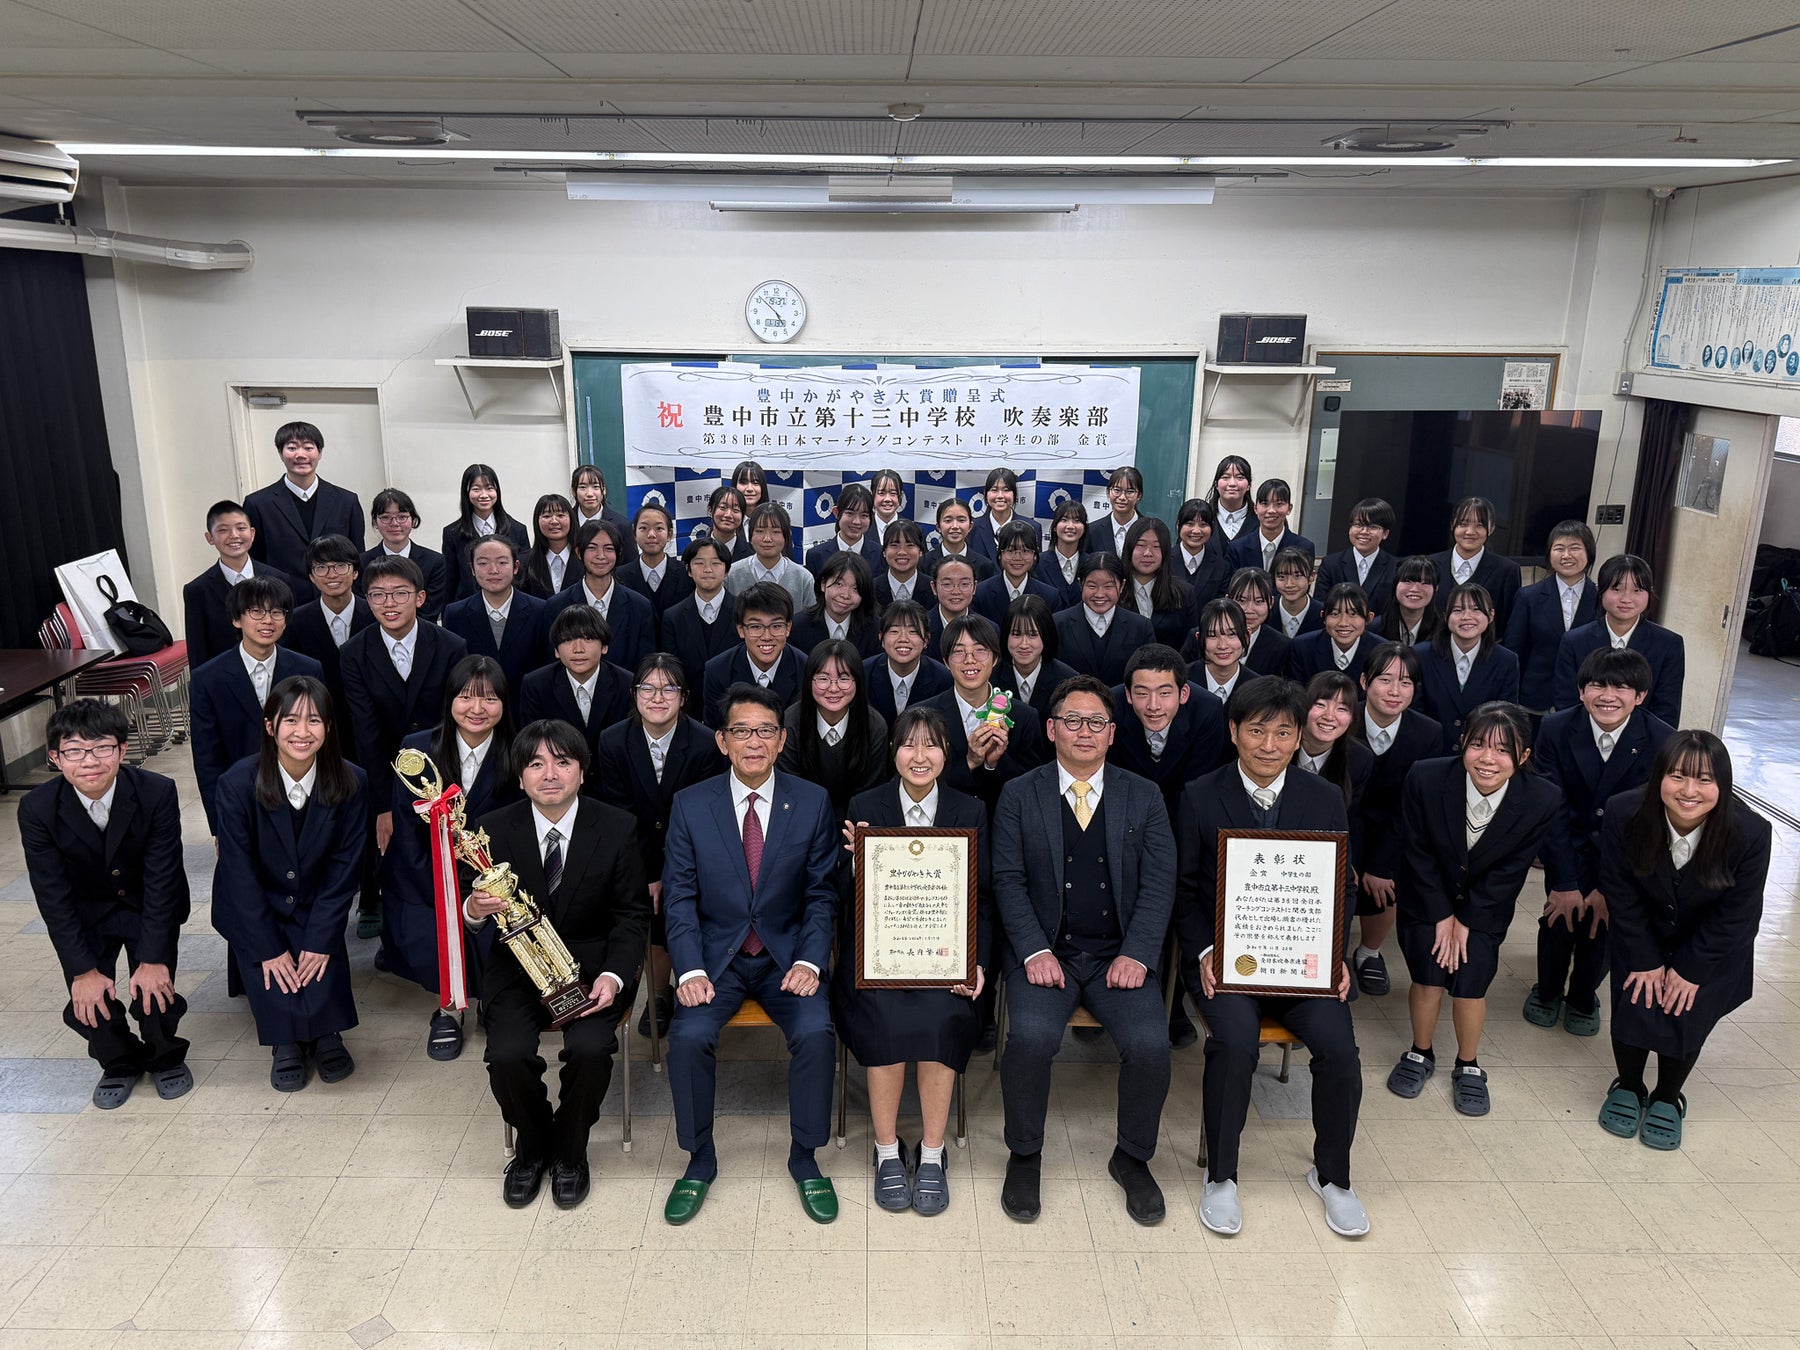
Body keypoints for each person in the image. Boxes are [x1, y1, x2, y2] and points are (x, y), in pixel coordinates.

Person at [1175, 675, 1367, 1239]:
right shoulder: (1199, 794)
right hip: (1226, 962)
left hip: (1300, 962)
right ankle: (1221, 1176)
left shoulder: (1323, 798)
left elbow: (1342, 886)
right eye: (1257, 731)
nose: (1269, 745)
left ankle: (1333, 1177)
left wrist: (1335, 954)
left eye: (1283, 733)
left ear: (1299, 736)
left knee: (1340, 1048)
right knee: (1234, 1043)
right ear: (1234, 731)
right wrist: (1205, 951)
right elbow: (1184, 890)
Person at [993, 674, 1176, 1225]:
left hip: (1119, 955)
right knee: (1029, 1038)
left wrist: (1137, 954)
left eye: (1097, 722)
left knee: (1151, 1045)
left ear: (1113, 733)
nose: (1085, 731)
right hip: (1045, 953)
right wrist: (1032, 950)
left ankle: (1132, 1157)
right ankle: (1025, 1154)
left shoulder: (1143, 795)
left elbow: (1159, 883)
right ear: (1051, 729)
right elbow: (1007, 880)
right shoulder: (1018, 794)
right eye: (1072, 720)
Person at [661, 684, 841, 1225]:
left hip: (787, 958)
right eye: (742, 731)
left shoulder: (811, 801)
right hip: (715, 959)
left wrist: (810, 961)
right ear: (722, 741)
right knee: (688, 1036)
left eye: (765, 731)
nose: (754, 742)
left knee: (816, 1032)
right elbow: (679, 896)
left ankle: (805, 1156)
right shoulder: (691, 805)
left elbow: (821, 894)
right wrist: (689, 970)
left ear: (782, 739)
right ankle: (700, 1157)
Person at [468, 720, 651, 1209]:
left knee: (591, 1050)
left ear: (582, 772)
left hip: (591, 972)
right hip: (516, 970)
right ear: (520, 776)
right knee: (506, 1055)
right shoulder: (491, 829)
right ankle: (533, 1148)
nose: (550, 774)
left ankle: (570, 1152)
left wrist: (614, 976)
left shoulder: (616, 826)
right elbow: (465, 905)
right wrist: (473, 909)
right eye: (536, 764)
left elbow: (632, 914)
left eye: (563, 762)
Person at [837, 707, 991, 1215]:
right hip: (880, 960)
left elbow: (983, 898)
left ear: (947, 754)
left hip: (945, 961)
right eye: (909, 744)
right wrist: (856, 863)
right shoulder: (865, 806)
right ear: (893, 751)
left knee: (943, 1018)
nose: (919, 756)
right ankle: (886, 1151)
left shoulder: (969, 810)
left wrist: (976, 962)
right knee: (882, 1017)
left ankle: (931, 1152)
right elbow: (839, 896)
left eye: (931, 745)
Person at [1597, 732, 1771, 1151]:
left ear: (1722, 784)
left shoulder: (1750, 831)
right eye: (1677, 776)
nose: (1689, 791)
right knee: (1636, 996)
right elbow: (1619, 890)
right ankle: (1629, 1084)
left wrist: (1690, 970)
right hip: (1643, 930)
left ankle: (1667, 1096)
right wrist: (1645, 958)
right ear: (1658, 776)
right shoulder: (1624, 812)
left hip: (1712, 946)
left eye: (1704, 780)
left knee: (1686, 1007)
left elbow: (1739, 913)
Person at [20, 700, 192, 1108]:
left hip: (147, 904)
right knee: (89, 996)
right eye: (74, 751)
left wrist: (152, 958)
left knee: (155, 988)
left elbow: (163, 878)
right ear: (55, 757)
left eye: (101, 747)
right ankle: (118, 1061)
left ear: (122, 749)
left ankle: (164, 1055)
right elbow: (53, 896)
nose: (89, 761)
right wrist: (82, 971)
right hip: (86, 913)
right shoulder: (37, 808)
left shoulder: (156, 792)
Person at [1390, 703, 1559, 1116]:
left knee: (1471, 980)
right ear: (1462, 742)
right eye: (1478, 744)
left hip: (1486, 905)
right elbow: (1416, 851)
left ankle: (1468, 1064)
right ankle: (1420, 1051)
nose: (1488, 758)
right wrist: (1442, 915)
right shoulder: (1426, 777)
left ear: (1523, 756)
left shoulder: (1542, 797)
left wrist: (1467, 919)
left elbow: (1512, 869)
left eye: (1503, 750)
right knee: (1428, 974)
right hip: (1427, 898)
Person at [211, 676, 367, 1092]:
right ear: (270, 726)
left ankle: (327, 1033)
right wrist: (269, 948)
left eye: (314, 720)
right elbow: (239, 876)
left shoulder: (352, 781)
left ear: (328, 728)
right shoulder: (235, 784)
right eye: (291, 720)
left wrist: (320, 939)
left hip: (316, 897)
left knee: (317, 953)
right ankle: (285, 1041)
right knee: (275, 963)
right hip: (253, 901)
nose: (302, 732)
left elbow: (344, 869)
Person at [1525, 649, 1674, 1036]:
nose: (1608, 696)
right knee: (1559, 916)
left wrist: (1610, 888)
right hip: (1567, 845)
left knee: (1603, 925)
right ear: (1581, 691)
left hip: (1625, 854)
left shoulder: (1662, 740)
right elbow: (1551, 805)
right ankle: (1547, 990)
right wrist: (1564, 881)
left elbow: (1650, 821)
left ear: (1640, 696)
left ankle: (1583, 996)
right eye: (1597, 685)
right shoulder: (1555, 729)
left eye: (1621, 687)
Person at [382, 655, 520, 1061]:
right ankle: (449, 1009)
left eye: (490, 698)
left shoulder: (519, 751)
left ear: (504, 703)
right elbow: (407, 833)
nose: (477, 708)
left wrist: (487, 885)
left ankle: (492, 999)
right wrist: (442, 889)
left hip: (492, 874)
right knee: (437, 923)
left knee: (500, 920)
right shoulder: (416, 750)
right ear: (450, 699)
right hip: (428, 874)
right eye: (466, 697)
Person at [596, 655, 726, 1042]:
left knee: (685, 898)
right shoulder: (613, 741)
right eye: (647, 688)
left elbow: (702, 817)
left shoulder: (705, 743)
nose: (657, 697)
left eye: (669, 688)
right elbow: (621, 815)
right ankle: (657, 993)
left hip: (692, 854)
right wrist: (649, 873)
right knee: (643, 903)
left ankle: (694, 983)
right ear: (634, 693)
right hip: (634, 855)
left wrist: (672, 873)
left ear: (684, 697)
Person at [339, 555, 469, 869]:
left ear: (420, 598)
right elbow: (366, 730)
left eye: (400, 593)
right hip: (385, 773)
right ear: (367, 600)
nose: (389, 603)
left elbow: (455, 719)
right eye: (378, 595)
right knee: (395, 861)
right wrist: (383, 805)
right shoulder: (353, 653)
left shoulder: (451, 646)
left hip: (445, 771)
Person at [191, 576, 324, 837]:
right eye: (256, 611)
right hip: (241, 798)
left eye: (276, 612)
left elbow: (321, 737)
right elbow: (207, 758)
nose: (267, 620)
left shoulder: (308, 669)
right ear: (236, 619)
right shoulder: (208, 678)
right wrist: (219, 826)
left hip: (300, 796)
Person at [1348, 643, 1441, 996]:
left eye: (1405, 683)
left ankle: (1369, 952)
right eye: (1385, 680)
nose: (1394, 691)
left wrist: (1381, 865)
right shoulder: (1341, 720)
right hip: (1343, 822)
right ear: (1364, 682)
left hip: (1396, 828)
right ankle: (1331, 953)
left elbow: (1414, 806)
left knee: (1391, 878)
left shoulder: (1428, 733)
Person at [918, 614, 1046, 809]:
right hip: (944, 821)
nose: (970, 660)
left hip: (1003, 820)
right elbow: (916, 782)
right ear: (946, 661)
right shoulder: (923, 716)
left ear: (994, 658)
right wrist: (970, 762)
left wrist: (995, 762)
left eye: (979, 650)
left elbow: (1033, 789)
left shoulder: (1024, 716)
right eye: (959, 651)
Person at [1553, 553, 1686, 728]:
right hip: (1581, 736)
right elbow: (1566, 704)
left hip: (1643, 740)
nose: (1626, 599)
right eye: (1616, 589)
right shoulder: (1574, 641)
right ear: (1599, 590)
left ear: (1650, 592)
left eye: (1637, 590)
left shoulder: (1669, 644)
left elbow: (1666, 712)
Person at [1110, 642, 1227, 819]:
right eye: (1142, 694)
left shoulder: (1206, 710)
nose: (1153, 706)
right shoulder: (1111, 708)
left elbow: (1200, 781)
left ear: (1183, 694)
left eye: (1164, 693)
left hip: (1185, 808)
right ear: (1128, 694)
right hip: (1127, 809)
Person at [281, 534, 374, 750]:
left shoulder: (376, 615)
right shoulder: (295, 622)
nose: (332, 574)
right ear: (312, 577)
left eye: (341, 566)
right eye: (321, 568)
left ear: (355, 571)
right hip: (318, 727)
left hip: (371, 725)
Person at [242, 420, 365, 582]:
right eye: (292, 448)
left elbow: (357, 557)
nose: (300, 455)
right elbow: (255, 560)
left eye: (308, 448)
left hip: (335, 592)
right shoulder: (258, 504)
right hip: (282, 593)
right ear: (280, 453)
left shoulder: (347, 501)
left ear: (319, 453)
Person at [779, 638, 889, 816]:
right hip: (801, 817)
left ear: (858, 681)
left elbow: (870, 793)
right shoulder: (790, 724)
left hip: (857, 821)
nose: (833, 688)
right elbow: (791, 790)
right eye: (823, 678)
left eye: (844, 678)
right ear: (809, 681)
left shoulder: (875, 726)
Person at [1505, 520, 1599, 722]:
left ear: (1589, 553)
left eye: (1575, 548)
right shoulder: (1528, 597)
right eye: (1559, 548)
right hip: (1533, 702)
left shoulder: (1601, 598)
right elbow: (1514, 651)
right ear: (1549, 554)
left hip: (1585, 703)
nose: (1567, 555)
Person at [183, 499, 294, 668]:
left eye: (241, 528)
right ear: (210, 538)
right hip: (224, 677)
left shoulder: (280, 579)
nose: (234, 535)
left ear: (252, 533)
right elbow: (198, 651)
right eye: (223, 530)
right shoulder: (197, 590)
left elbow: (291, 636)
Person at [441, 535, 549, 708]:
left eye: (502, 562)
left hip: (527, 708)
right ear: (472, 568)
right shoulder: (455, 614)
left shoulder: (541, 610)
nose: (493, 570)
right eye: (483, 563)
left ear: (516, 567)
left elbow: (546, 668)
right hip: (477, 711)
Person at [1415, 582, 1521, 754]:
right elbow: (1414, 712)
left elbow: (1505, 717)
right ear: (1445, 617)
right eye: (1458, 610)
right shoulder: (1421, 655)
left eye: (1476, 609)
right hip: (1429, 753)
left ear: (1491, 615)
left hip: (1481, 755)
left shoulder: (1506, 660)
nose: (1466, 616)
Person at [519, 606, 634, 758]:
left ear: (604, 646)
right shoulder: (536, 685)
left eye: (588, 639)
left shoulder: (627, 684)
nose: (578, 649)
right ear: (556, 651)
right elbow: (532, 744)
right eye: (568, 640)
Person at [546, 519, 657, 674]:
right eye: (592, 548)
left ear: (618, 553)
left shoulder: (640, 606)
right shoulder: (557, 605)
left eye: (608, 548)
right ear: (578, 552)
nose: (601, 556)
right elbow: (551, 663)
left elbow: (646, 665)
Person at [662, 536, 738, 719]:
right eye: (699, 563)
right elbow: (671, 670)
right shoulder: (673, 617)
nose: (708, 569)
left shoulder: (742, 612)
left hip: (735, 707)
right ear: (688, 570)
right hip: (687, 711)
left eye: (716, 563)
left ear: (727, 570)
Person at [1054, 553, 1155, 687]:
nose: (1100, 594)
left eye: (1108, 586)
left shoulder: (1141, 627)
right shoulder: (1057, 624)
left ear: (1122, 586)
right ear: (1080, 584)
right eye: (1092, 586)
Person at [439, 463, 530, 606]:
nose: (483, 495)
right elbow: (450, 580)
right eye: (476, 489)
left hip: (511, 606)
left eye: (489, 488)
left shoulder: (518, 530)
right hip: (467, 608)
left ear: (497, 491)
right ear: (466, 492)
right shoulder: (452, 533)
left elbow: (524, 578)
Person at [1429, 495, 1522, 633]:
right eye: (1463, 524)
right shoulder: (1431, 565)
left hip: (1485, 645)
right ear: (1452, 525)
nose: (1470, 532)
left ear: (1491, 528)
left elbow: (1509, 623)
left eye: (1479, 525)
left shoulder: (1507, 570)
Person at [361, 489, 448, 621]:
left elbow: (431, 610)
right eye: (385, 517)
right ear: (375, 522)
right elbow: (364, 608)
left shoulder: (435, 562)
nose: (394, 523)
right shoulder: (362, 562)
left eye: (402, 517)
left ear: (413, 520)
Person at [865, 599, 952, 724]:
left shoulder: (944, 679)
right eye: (894, 631)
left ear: (926, 639)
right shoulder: (864, 674)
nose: (903, 639)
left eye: (913, 632)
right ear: (881, 638)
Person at [996, 594, 1077, 721]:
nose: (1024, 644)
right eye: (1016, 634)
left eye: (1033, 635)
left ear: (1046, 635)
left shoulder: (1068, 681)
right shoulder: (989, 678)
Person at [618, 501, 695, 635]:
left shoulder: (687, 573)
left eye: (659, 528)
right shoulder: (620, 576)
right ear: (634, 534)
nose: (651, 534)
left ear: (669, 534)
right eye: (643, 528)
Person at [1316, 497, 1398, 618]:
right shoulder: (1330, 564)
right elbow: (1321, 605)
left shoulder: (1396, 567)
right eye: (1358, 525)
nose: (1364, 531)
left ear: (1385, 533)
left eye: (1372, 527)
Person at [791, 551, 880, 659]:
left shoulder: (875, 629)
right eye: (839, 584)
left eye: (855, 588)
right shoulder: (797, 627)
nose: (845, 595)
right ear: (823, 584)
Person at [728, 501, 816, 608]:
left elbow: (811, 616)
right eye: (760, 531)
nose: (767, 539)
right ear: (750, 535)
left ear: (787, 535)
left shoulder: (803, 579)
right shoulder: (732, 575)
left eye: (775, 532)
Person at [1287, 583, 1382, 682]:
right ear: (1323, 616)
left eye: (1353, 614)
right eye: (1335, 614)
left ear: (1369, 618)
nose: (1343, 623)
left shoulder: (1380, 652)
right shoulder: (1302, 648)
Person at [973, 519, 1061, 628]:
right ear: (999, 553)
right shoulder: (980, 594)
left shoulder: (1050, 597)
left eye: (1025, 551)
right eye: (1010, 551)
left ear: (1035, 554)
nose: (1017, 558)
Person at [1124, 517, 1195, 650]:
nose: (1148, 553)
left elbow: (1189, 647)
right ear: (1129, 547)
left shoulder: (1183, 593)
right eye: (1141, 545)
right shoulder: (1115, 591)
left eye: (1156, 547)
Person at [1224, 478, 1315, 572]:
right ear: (1255, 509)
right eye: (1265, 504)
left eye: (1279, 504)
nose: (1271, 510)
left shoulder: (1304, 548)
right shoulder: (1237, 548)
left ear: (1289, 508)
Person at [802, 482, 885, 579]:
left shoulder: (881, 555)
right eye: (850, 513)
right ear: (836, 512)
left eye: (864, 515)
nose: (857, 521)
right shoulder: (816, 555)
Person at [1227, 568, 1291, 677]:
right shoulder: (1204, 637)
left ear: (1271, 603)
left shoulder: (1282, 646)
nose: (1249, 610)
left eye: (1259, 601)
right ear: (1228, 600)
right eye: (1241, 601)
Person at [968, 467, 1040, 561]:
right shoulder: (972, 528)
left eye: (1006, 490)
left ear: (1014, 494)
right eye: (994, 490)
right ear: (986, 493)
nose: (1000, 496)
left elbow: (1035, 565)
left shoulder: (1032, 527)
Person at [570, 463, 637, 563]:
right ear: (574, 491)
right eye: (583, 487)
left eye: (595, 487)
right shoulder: (566, 522)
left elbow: (631, 564)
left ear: (604, 490)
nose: (590, 494)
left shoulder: (622, 525)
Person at [1189, 598, 1250, 704]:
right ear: (1199, 638)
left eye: (1231, 634)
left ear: (1247, 637)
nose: (1222, 645)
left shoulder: (1259, 689)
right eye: (1212, 635)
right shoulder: (1181, 681)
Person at [923, 496, 997, 582]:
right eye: (948, 520)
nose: (955, 526)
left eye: (961, 520)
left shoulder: (985, 565)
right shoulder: (924, 563)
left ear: (970, 526)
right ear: (938, 527)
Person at [1376, 555, 1444, 648]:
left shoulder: (1443, 632)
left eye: (1425, 583)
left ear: (1436, 588)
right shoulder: (1374, 629)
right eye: (1408, 581)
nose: (1415, 589)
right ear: (1395, 584)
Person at [1175, 497, 1231, 611]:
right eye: (1190, 524)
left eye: (1203, 524)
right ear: (1178, 525)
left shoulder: (1221, 567)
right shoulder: (1163, 561)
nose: (1196, 531)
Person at [521, 492, 577, 599]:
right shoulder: (525, 562)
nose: (554, 521)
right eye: (547, 516)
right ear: (537, 521)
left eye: (560, 515)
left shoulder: (585, 560)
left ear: (571, 519)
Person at [1036, 499, 1088, 608]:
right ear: (1055, 527)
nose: (1070, 526)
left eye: (1077, 520)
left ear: (1084, 529)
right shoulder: (1038, 563)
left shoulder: (1091, 564)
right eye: (1064, 520)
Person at [1084, 465, 1144, 556]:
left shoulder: (1150, 531)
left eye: (1129, 492)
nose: (1122, 497)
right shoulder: (1092, 531)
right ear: (1108, 492)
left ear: (1139, 495)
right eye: (1117, 490)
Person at [1270, 546, 1324, 640]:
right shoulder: (1266, 611)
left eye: (1297, 576)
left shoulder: (1323, 614)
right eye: (1282, 577)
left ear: (1311, 577)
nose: (1289, 584)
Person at [874, 519, 929, 608]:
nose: (902, 552)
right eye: (894, 545)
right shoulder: (871, 589)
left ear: (920, 551)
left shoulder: (934, 588)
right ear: (884, 551)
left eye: (910, 545)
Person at [927, 555, 979, 647]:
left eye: (964, 584)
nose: (956, 592)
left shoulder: (989, 629)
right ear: (934, 587)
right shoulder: (920, 627)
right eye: (947, 584)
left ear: (974, 587)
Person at [1205, 454, 1254, 541]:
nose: (1232, 484)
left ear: (1249, 485)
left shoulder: (1260, 519)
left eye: (1240, 477)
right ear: (1216, 484)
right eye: (1225, 477)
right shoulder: (1204, 517)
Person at [705, 483, 753, 562]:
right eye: (723, 508)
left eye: (736, 510)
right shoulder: (694, 552)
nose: (728, 515)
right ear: (710, 511)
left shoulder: (752, 555)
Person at [869, 468, 905, 547]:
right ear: (872, 495)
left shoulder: (913, 530)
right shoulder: (862, 527)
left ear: (900, 496)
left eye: (893, 493)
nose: (887, 499)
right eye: (881, 493)